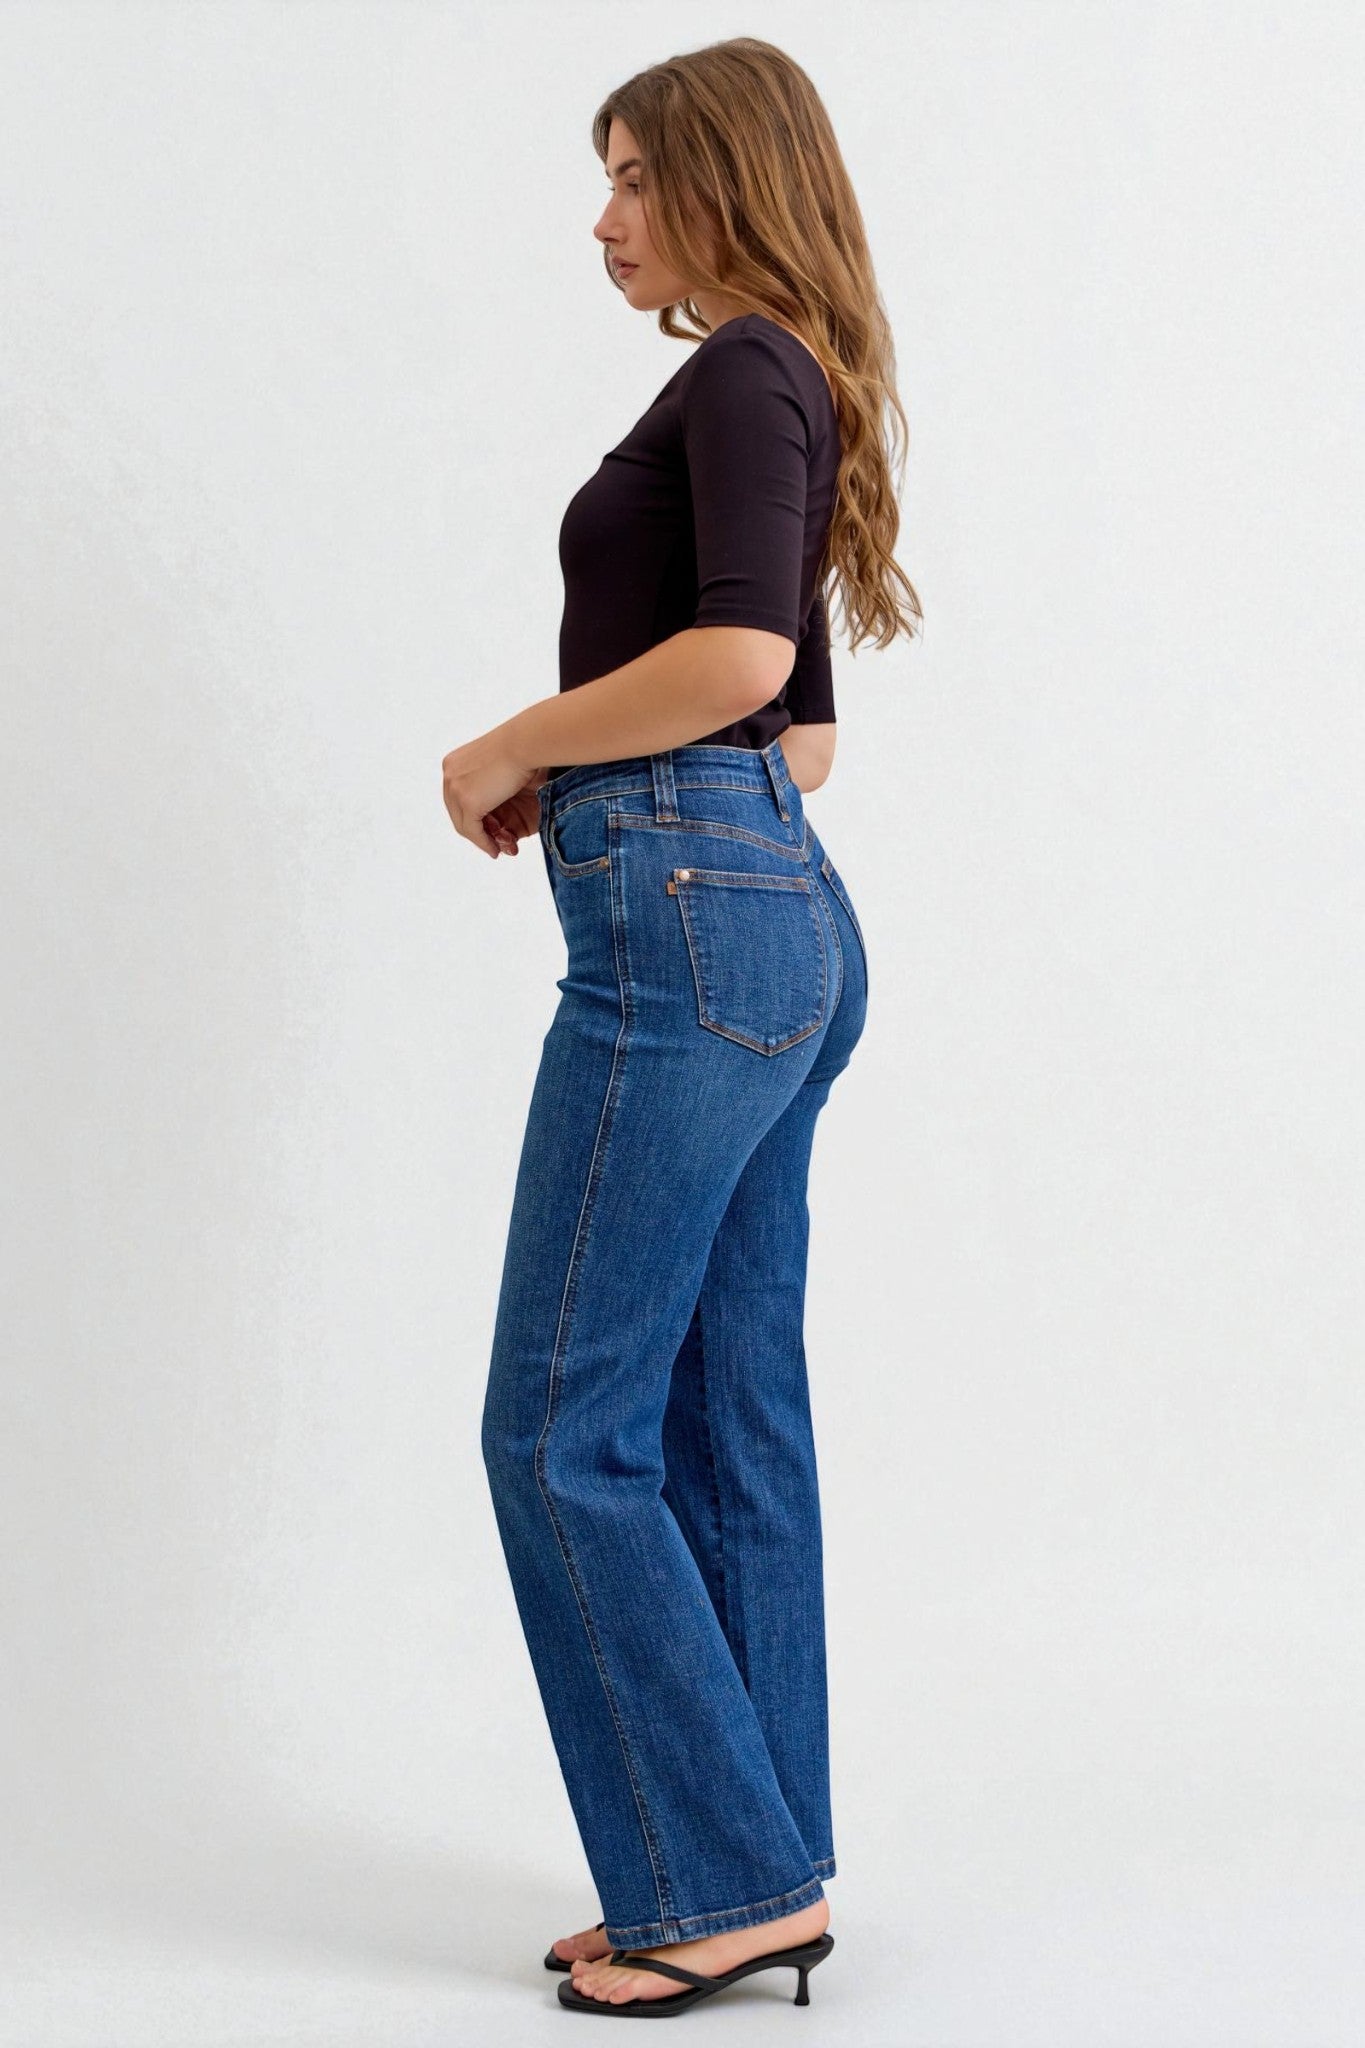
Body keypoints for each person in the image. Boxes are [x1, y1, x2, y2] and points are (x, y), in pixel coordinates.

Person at [441, 35, 921, 2017]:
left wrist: (513, 745)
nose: (604, 213)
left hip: (690, 934)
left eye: (635, 174)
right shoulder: (792, 378)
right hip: (772, 919)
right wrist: (644, 773)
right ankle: (746, 1858)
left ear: (725, 179)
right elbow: (793, 734)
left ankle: (711, 1878)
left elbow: (731, 664)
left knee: (557, 1426)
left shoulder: (737, 372)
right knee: (726, 1417)